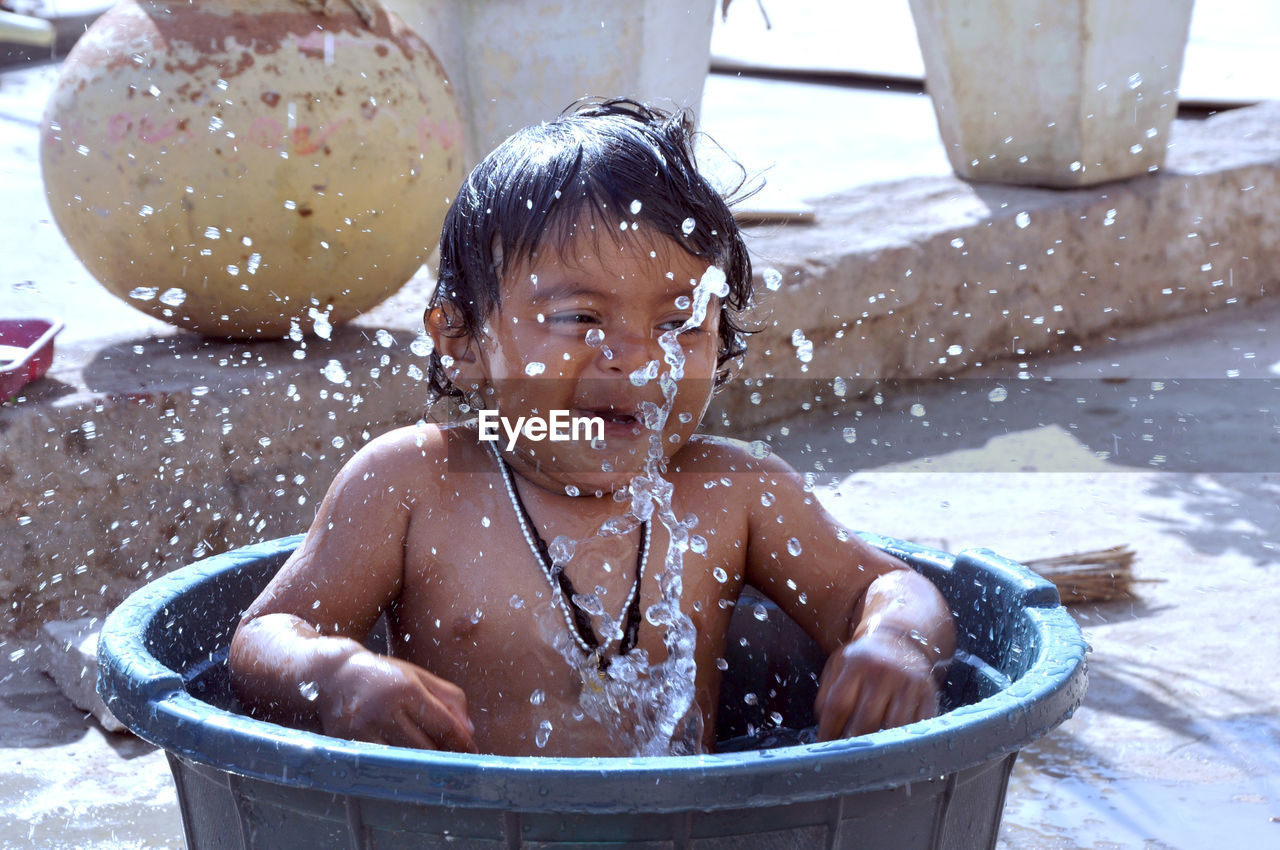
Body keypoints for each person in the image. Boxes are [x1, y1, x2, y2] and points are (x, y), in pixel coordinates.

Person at [229, 99, 956, 757]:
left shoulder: (734, 490)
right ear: (461, 340)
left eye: (678, 322)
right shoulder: (415, 484)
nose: (635, 357)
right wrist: (336, 675)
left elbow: (885, 586)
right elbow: (265, 639)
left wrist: (894, 641)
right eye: (581, 317)